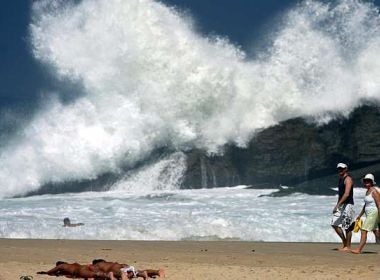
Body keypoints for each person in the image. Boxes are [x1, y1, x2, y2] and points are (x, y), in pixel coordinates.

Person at [351, 174, 380, 254]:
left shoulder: (374, 191)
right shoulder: (367, 191)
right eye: (365, 181)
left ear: (371, 182)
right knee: (376, 232)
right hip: (368, 213)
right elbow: (366, 205)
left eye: (368, 181)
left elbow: (379, 204)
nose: (366, 183)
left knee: (364, 230)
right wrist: (360, 215)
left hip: (373, 213)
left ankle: (359, 249)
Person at [331, 163, 355, 252]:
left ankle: (348, 246)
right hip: (342, 205)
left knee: (347, 226)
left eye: (342, 169)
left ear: (346, 169)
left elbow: (346, 194)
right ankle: (345, 243)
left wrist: (338, 205)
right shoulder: (341, 179)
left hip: (348, 204)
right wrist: (339, 204)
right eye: (339, 169)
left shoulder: (348, 179)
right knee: (334, 224)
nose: (340, 170)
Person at [92, 259, 165, 279]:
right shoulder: (109, 263)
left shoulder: (98, 264)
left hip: (114, 268)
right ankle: (157, 272)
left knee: (120, 274)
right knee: (136, 273)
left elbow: (96, 274)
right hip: (122, 265)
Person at [37, 261, 115, 279]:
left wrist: (46, 272)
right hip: (84, 267)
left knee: (98, 275)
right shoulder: (74, 264)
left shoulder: (62, 265)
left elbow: (53, 270)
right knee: (100, 273)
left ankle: (110, 276)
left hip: (81, 271)